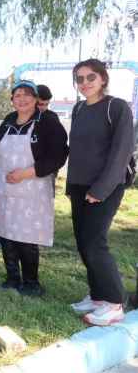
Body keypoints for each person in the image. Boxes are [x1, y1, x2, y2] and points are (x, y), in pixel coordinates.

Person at [0, 80, 68, 296]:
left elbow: (58, 155)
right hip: (4, 190)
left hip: (32, 192)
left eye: (27, 94)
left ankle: (31, 282)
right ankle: (12, 278)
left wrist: (25, 173)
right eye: (17, 95)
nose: (22, 99)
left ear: (36, 99)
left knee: (26, 238)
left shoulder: (47, 121)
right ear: (12, 100)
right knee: (7, 235)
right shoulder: (8, 121)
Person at [67, 59, 135, 326]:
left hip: (105, 186)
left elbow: (122, 151)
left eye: (90, 77)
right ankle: (97, 297)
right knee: (83, 242)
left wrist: (101, 189)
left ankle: (115, 303)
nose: (85, 83)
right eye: (80, 79)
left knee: (95, 243)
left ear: (103, 79)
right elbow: (77, 150)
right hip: (79, 186)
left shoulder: (116, 107)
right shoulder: (79, 109)